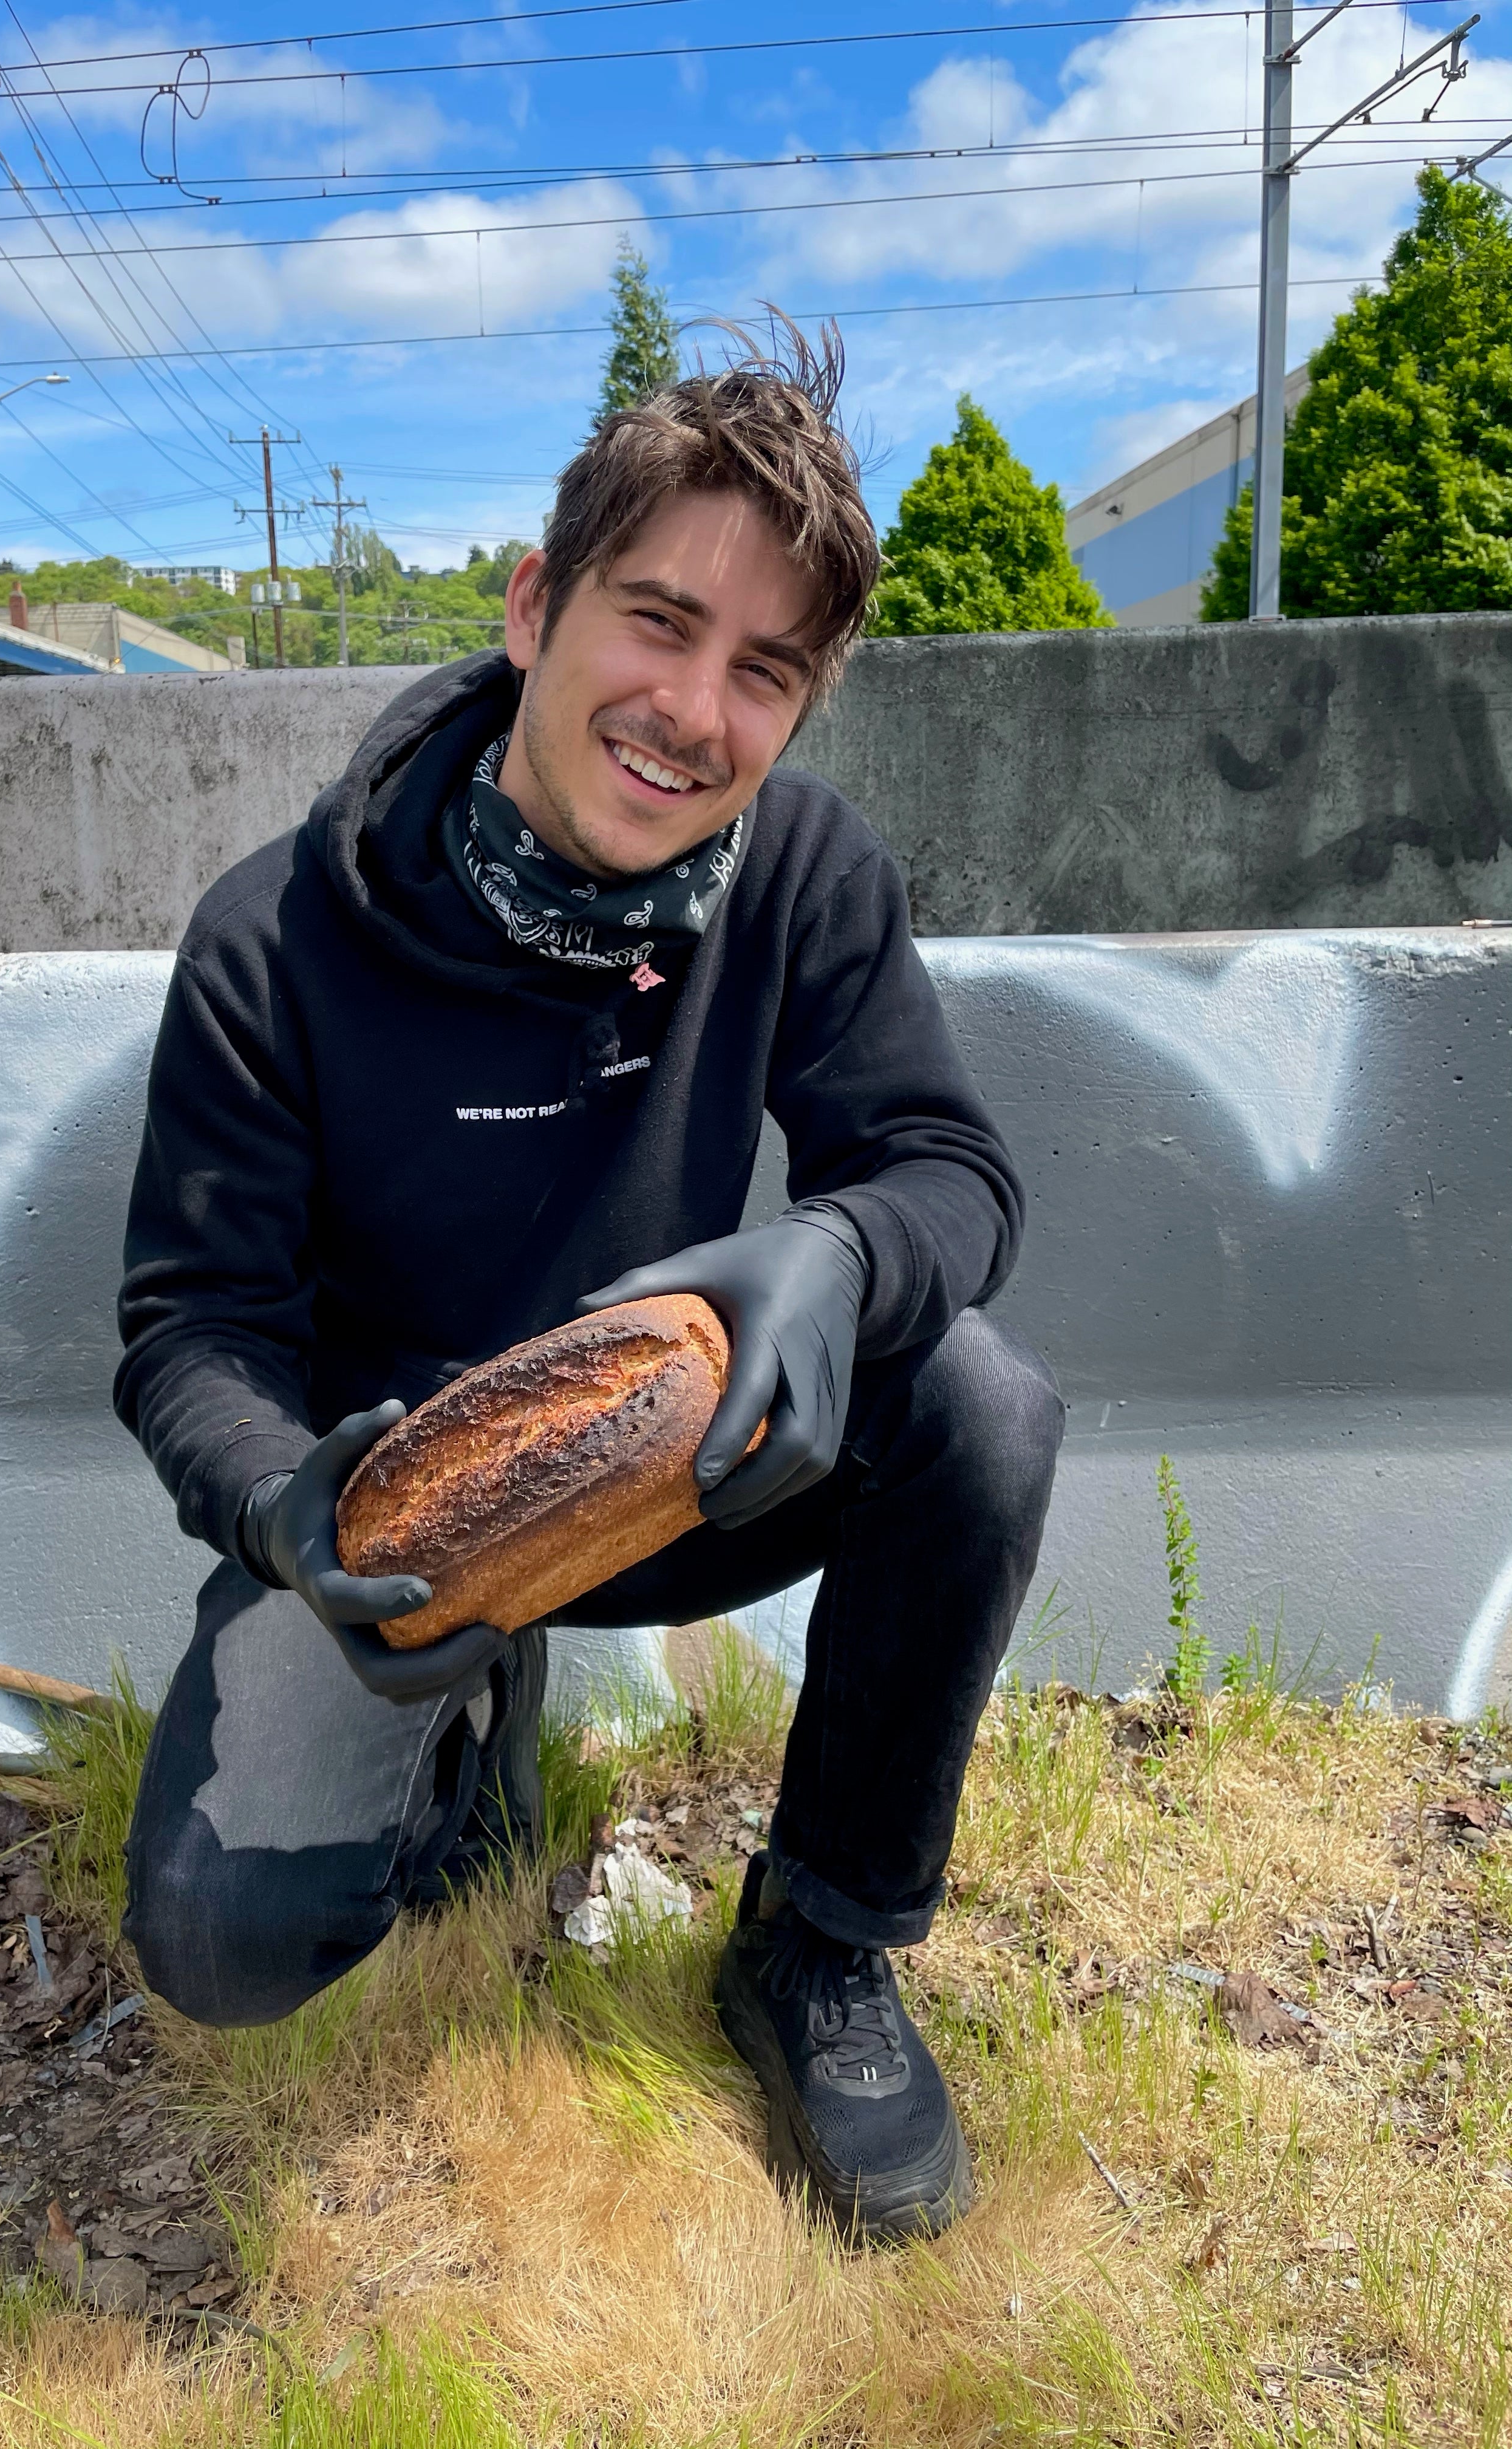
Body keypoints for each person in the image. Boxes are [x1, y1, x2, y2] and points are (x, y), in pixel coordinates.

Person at [114, 321, 1064, 2245]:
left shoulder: (799, 874)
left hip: (686, 1456)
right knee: (220, 1947)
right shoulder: (275, 941)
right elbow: (191, 1331)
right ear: (536, 605)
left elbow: (950, 1173)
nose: (696, 710)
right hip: (402, 1530)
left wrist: (838, 1244)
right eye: (658, 621)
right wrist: (281, 1509)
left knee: (979, 1404)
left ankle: (822, 1944)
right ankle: (466, 1733)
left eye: (765, 672)